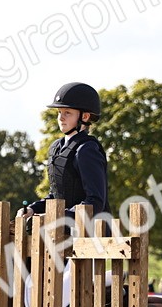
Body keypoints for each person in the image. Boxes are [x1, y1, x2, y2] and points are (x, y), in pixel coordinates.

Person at [26, 82, 109, 220]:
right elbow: (56, 196)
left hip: (91, 232)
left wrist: (60, 216)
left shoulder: (87, 150)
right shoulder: (56, 148)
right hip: (62, 230)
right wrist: (32, 209)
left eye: (67, 113)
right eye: (59, 112)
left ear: (85, 117)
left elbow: (95, 201)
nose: (60, 118)